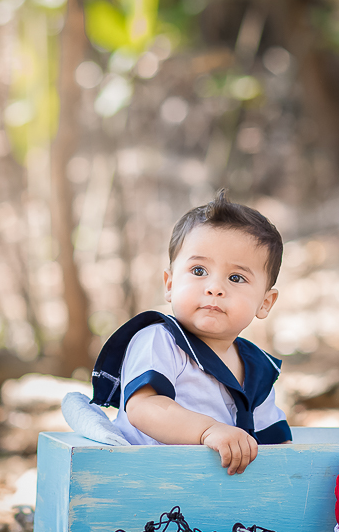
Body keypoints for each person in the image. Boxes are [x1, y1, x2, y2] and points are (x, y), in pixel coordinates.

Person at [88, 191, 291, 474]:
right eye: (198, 270)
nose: (214, 287)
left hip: (210, 490)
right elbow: (143, 407)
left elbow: (274, 442)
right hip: (143, 478)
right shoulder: (159, 340)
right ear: (170, 284)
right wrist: (208, 430)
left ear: (265, 302)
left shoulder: (258, 367)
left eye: (236, 278)